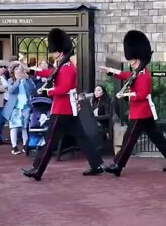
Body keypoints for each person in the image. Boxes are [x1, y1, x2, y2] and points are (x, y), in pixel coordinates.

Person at [21, 28, 104, 181]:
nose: (52, 54)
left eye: (54, 52)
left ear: (59, 52)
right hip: (68, 110)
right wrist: (32, 71)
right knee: (82, 138)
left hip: (62, 109)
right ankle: (96, 165)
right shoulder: (63, 65)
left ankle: (37, 169)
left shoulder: (67, 68)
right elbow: (49, 73)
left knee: (50, 140)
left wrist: (46, 92)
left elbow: (63, 89)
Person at [99, 30, 166, 177]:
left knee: (129, 139)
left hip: (141, 112)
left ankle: (118, 164)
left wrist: (126, 95)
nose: (130, 63)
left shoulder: (144, 75)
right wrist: (111, 71)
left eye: (131, 61)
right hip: (144, 113)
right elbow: (127, 75)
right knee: (156, 136)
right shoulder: (138, 72)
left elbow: (142, 95)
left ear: (136, 59)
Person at [2, 63, 35, 155]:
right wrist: (18, 81)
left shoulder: (26, 80)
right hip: (14, 107)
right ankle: (14, 146)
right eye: (16, 70)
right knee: (14, 127)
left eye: (20, 70)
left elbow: (33, 89)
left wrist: (27, 78)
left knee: (25, 126)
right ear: (13, 71)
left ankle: (25, 145)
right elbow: (11, 90)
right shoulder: (10, 80)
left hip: (25, 106)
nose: (19, 71)